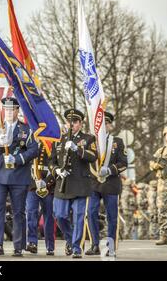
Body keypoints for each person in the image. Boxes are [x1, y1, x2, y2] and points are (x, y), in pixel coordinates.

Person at [0, 97, 38, 257]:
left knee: (18, 211)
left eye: (11, 109)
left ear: (17, 111)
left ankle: (18, 246)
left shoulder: (26, 130)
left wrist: (17, 159)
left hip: (18, 175)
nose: (8, 112)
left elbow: (34, 150)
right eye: (6, 110)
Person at [50, 108, 97, 258]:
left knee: (78, 217)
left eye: (75, 122)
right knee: (59, 215)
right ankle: (70, 239)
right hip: (62, 183)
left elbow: (93, 156)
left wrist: (78, 149)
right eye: (69, 121)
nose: (72, 124)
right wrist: (56, 170)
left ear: (80, 123)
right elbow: (52, 161)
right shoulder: (59, 140)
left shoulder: (88, 139)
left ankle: (76, 248)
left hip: (80, 184)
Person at [85, 112, 127, 257]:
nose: (104, 127)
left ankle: (110, 246)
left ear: (110, 125)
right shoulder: (91, 142)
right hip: (94, 184)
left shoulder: (118, 142)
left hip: (111, 184)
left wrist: (109, 169)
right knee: (90, 212)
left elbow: (123, 164)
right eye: (101, 125)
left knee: (112, 216)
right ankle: (95, 244)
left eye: (106, 124)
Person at [26, 140, 56, 256]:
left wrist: (46, 182)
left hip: (48, 185)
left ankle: (50, 246)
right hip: (32, 184)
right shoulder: (30, 143)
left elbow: (55, 164)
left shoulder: (50, 143)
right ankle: (32, 242)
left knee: (48, 215)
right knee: (31, 212)